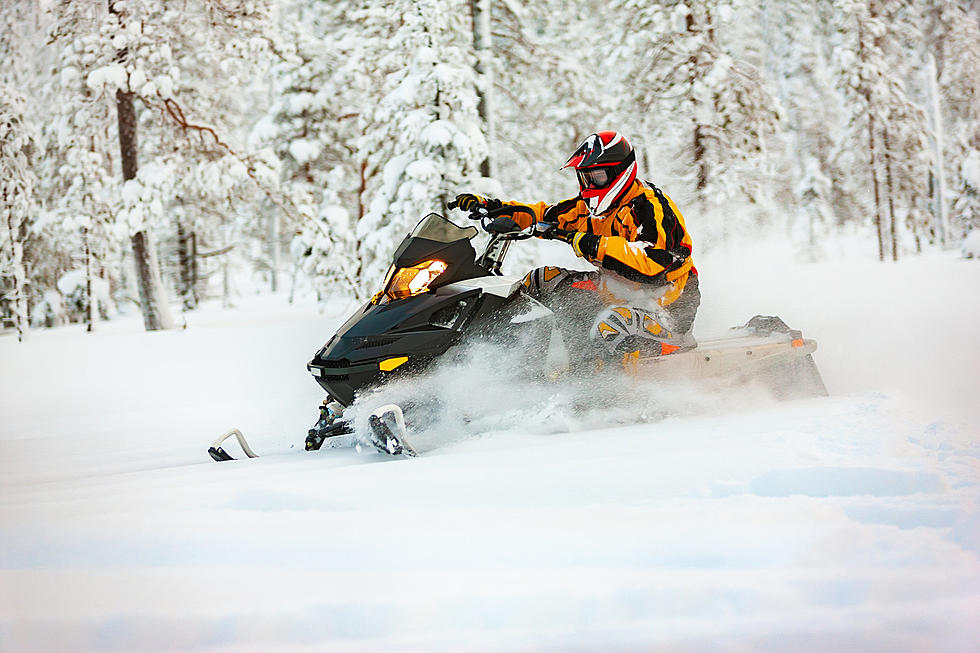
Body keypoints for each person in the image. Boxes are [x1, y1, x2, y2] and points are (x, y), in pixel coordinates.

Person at [452, 130, 700, 366]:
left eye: (597, 176)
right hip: (619, 293)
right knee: (542, 280)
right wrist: (494, 207)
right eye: (585, 177)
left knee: (610, 326)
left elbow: (654, 263)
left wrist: (589, 243)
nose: (589, 184)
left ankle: (609, 400)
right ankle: (514, 363)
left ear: (619, 173)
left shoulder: (650, 207)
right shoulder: (591, 207)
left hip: (666, 307)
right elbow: (543, 215)